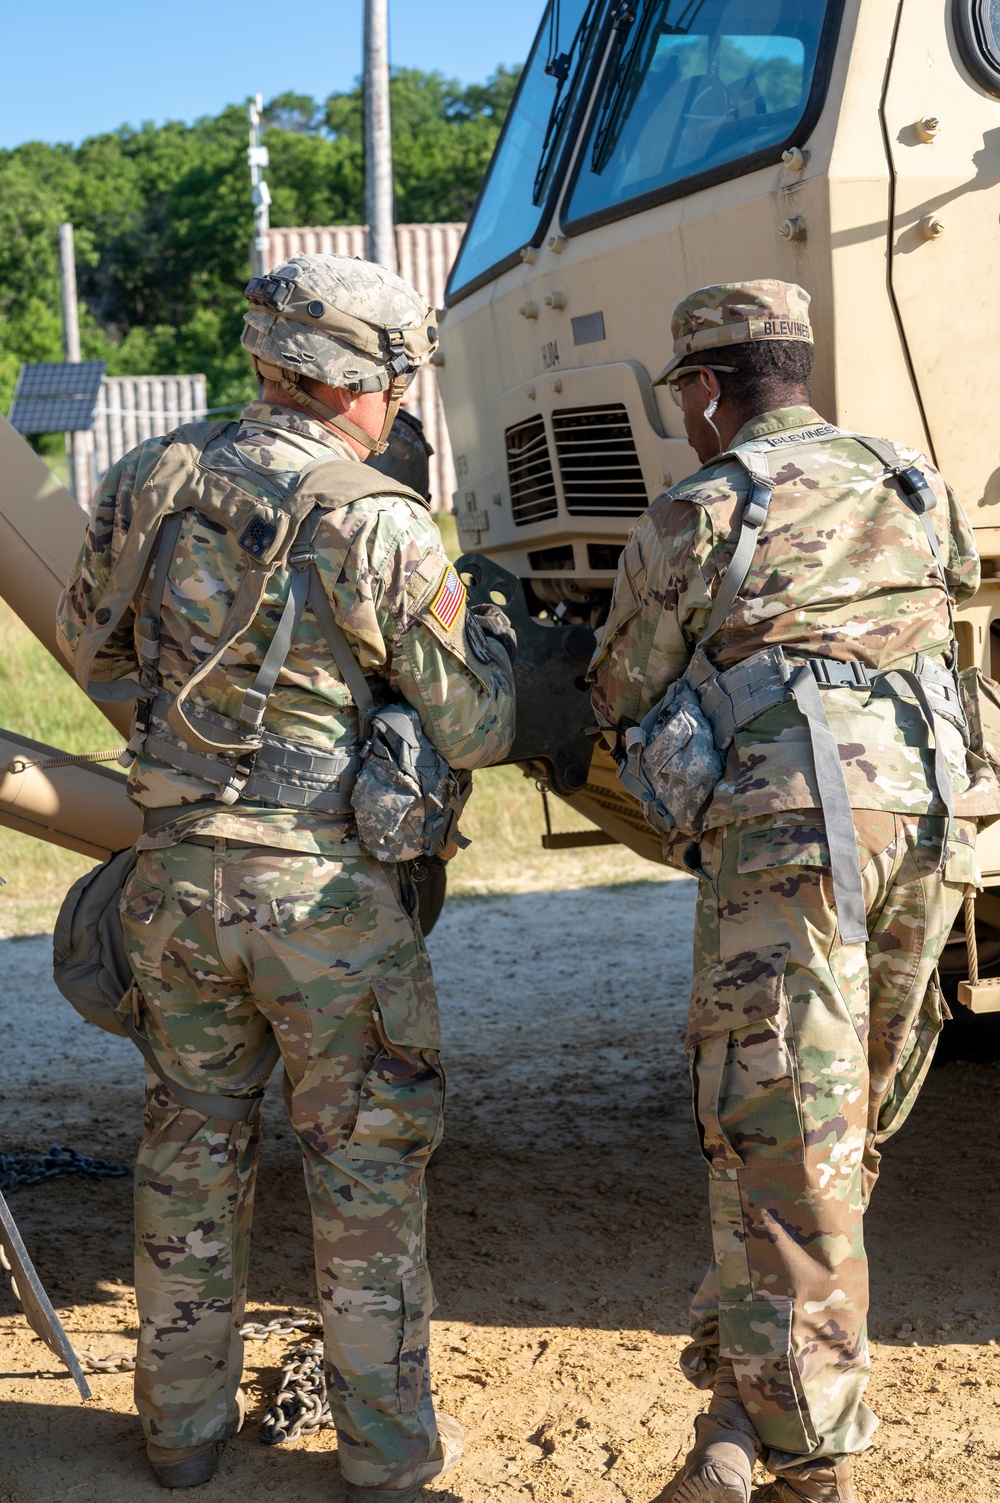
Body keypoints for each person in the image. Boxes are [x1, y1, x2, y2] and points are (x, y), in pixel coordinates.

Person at [56, 253, 516, 1501]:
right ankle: (384, 1455)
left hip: (174, 886)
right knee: (365, 1175)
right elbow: (471, 728)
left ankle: (180, 1437)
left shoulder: (147, 477)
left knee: (188, 1156)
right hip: (325, 901)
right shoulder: (375, 516)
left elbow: (87, 639)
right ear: (356, 380)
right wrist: (490, 648)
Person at [590, 281, 998, 1503]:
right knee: (842, 1124)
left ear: (707, 388)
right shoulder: (909, 478)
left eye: (684, 396)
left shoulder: (700, 510)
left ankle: (803, 1454)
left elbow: (621, 691)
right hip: (940, 824)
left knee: (784, 1136)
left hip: (796, 840)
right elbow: (953, 602)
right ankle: (750, 1388)